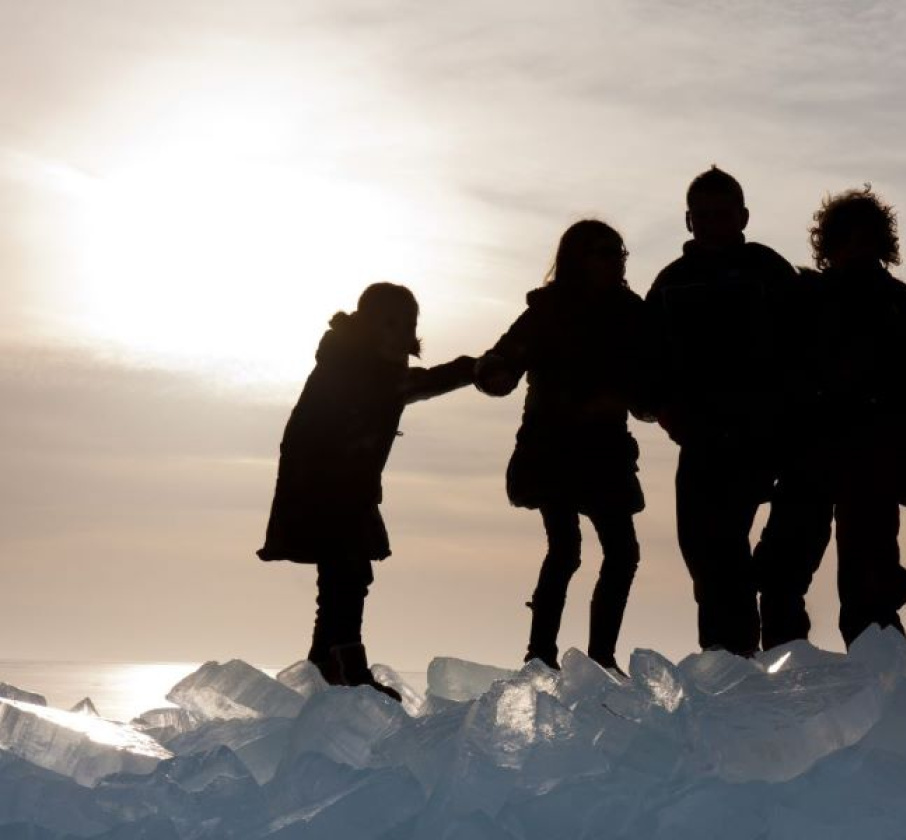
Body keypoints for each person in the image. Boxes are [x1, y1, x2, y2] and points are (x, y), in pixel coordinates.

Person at [258, 283, 476, 699]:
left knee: (346, 576)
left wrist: (473, 369)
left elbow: (405, 385)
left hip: (343, 490)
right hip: (325, 490)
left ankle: (325, 665)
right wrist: (473, 369)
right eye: (389, 321)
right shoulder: (352, 366)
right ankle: (346, 668)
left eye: (407, 322)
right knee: (345, 574)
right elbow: (405, 386)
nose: (399, 330)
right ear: (368, 323)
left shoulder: (362, 364)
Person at [754, 187, 906, 650]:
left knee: (872, 593)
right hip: (807, 458)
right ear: (830, 243)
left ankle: (881, 687)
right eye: (848, 238)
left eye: (866, 238)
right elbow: (775, 379)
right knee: (781, 579)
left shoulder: (899, 310)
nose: (857, 247)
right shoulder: (799, 301)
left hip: (871, 463)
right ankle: (785, 680)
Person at [476, 220, 648, 675]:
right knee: (566, 547)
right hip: (552, 448)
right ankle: (541, 656)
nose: (615, 260)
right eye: (603, 252)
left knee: (622, 552)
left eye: (618, 252)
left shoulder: (632, 312)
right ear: (578, 258)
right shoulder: (548, 310)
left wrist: (634, 399)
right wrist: (493, 372)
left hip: (606, 449)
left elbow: (651, 377)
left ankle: (601, 659)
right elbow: (506, 359)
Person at [644, 166, 797, 656]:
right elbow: (644, 361)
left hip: (768, 439)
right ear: (689, 221)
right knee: (710, 561)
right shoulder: (671, 282)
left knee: (777, 564)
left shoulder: (770, 271)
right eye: (702, 215)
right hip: (702, 444)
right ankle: (726, 666)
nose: (712, 223)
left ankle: (785, 663)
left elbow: (808, 344)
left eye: (722, 213)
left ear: (743, 216)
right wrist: (662, 410)